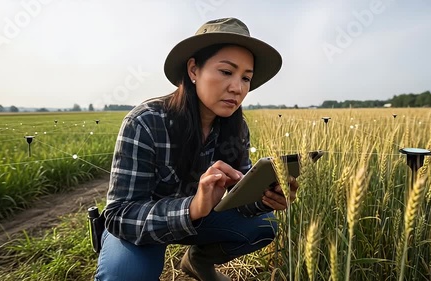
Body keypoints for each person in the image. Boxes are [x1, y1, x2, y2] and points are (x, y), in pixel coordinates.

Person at [94, 17, 299, 281]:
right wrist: (192, 207)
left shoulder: (236, 128)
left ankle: (197, 261)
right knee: (125, 275)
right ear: (193, 70)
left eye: (246, 78)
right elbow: (120, 215)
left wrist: (265, 198)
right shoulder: (145, 122)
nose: (237, 88)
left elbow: (239, 200)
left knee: (265, 225)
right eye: (226, 72)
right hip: (141, 228)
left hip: (200, 221)